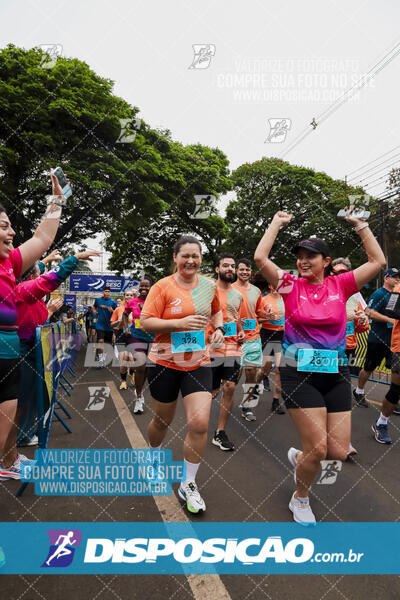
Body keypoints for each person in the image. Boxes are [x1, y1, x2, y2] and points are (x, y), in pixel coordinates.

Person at [254, 209, 386, 524]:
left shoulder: (340, 286)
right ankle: (300, 498)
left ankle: (300, 459)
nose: (303, 260)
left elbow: (378, 262)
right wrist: (275, 223)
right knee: (318, 449)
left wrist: (361, 226)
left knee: (338, 451)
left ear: (325, 261)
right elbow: (261, 258)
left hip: (336, 372)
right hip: (298, 373)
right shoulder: (288, 286)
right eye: (300, 256)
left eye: (311, 256)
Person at [140, 235, 224, 514]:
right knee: (162, 419)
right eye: (185, 255)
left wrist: (220, 330)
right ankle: (153, 456)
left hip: (198, 363)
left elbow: (217, 312)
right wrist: (179, 323)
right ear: (175, 258)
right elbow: (146, 322)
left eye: (196, 256)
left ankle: (188, 483)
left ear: (201, 259)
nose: (191, 261)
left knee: (199, 423)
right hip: (164, 362)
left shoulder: (209, 286)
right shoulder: (162, 286)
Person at [0, 251, 99, 475]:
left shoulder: (23, 286)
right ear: (29, 278)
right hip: (22, 354)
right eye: (37, 272)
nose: (41, 274)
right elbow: (48, 279)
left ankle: (11, 455)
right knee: (17, 409)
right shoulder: (23, 290)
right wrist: (74, 258)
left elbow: (41, 272)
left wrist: (44, 261)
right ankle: (7, 462)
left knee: (21, 408)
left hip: (29, 353)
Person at [0, 171, 66, 477]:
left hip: (11, 357)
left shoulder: (9, 263)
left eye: (11, 225)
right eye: (4, 226)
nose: (12, 232)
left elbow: (42, 238)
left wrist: (56, 199)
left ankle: (9, 461)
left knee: (6, 431)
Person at [332, 258, 369, 456]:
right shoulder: (324, 292)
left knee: (342, 391)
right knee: (328, 391)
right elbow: (323, 318)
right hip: (327, 348)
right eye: (337, 272)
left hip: (347, 347)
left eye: (344, 272)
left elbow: (363, 326)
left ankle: (342, 441)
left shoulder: (356, 296)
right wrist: (348, 317)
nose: (340, 276)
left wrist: (362, 320)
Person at [210, 254, 245, 450]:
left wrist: (240, 332)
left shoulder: (238, 294)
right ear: (217, 269)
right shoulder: (207, 290)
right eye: (226, 266)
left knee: (230, 386)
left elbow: (236, 317)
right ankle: (198, 425)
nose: (230, 269)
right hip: (211, 348)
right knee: (211, 391)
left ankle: (220, 432)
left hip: (232, 347)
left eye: (232, 266)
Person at [353, 268, 399, 407]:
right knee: (369, 368)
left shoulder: (398, 295)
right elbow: (370, 312)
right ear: (386, 278)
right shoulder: (379, 294)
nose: (397, 279)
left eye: (399, 277)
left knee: (395, 371)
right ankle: (359, 390)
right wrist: (390, 320)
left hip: (394, 342)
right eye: (394, 277)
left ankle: (392, 400)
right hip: (378, 339)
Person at [232, 258, 263, 422]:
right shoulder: (229, 289)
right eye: (242, 269)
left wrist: (268, 315)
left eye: (248, 270)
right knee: (235, 375)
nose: (245, 272)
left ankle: (248, 406)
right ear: (237, 270)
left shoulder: (257, 291)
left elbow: (259, 312)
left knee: (252, 373)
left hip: (253, 337)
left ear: (251, 272)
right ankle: (228, 396)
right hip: (234, 338)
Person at [371, 279, 400, 444]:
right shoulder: (398, 288)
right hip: (399, 346)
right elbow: (391, 311)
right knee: (396, 389)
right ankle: (381, 423)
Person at [122, 279, 154, 414]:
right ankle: (139, 397)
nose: (144, 288)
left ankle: (139, 388)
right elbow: (124, 314)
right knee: (140, 364)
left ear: (151, 287)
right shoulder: (132, 301)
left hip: (153, 337)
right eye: (142, 285)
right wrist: (126, 328)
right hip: (136, 335)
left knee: (147, 368)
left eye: (147, 286)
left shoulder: (156, 301)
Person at [257, 282, 286, 415]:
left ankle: (275, 402)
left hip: (282, 335)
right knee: (265, 367)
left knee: (280, 368)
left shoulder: (286, 299)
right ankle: (256, 385)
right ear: (270, 286)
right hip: (268, 334)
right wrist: (269, 318)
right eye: (274, 285)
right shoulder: (264, 300)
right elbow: (257, 319)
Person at [110, 289, 135, 391]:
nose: (129, 297)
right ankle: (123, 381)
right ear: (124, 296)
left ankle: (132, 373)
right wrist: (118, 321)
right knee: (124, 361)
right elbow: (111, 324)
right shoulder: (118, 309)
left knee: (133, 361)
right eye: (127, 295)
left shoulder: (137, 308)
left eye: (131, 295)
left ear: (134, 297)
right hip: (121, 335)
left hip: (133, 335)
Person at [93, 287, 117, 369]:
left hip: (109, 326)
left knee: (106, 344)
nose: (107, 293)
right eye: (105, 291)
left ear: (110, 293)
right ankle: (100, 360)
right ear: (103, 292)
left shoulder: (113, 302)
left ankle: (103, 358)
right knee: (100, 341)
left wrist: (113, 311)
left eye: (108, 291)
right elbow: (94, 307)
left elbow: (117, 312)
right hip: (100, 324)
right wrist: (94, 311)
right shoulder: (98, 300)